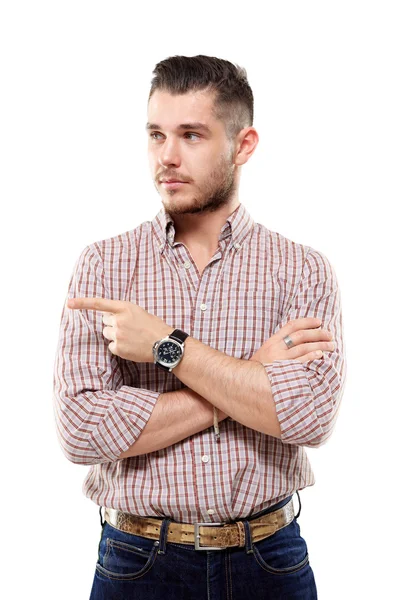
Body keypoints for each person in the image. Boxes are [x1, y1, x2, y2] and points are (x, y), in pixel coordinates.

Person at [53, 54, 346, 599]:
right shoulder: (105, 265)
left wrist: (168, 348)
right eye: (156, 134)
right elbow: (80, 429)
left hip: (269, 560)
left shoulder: (303, 270)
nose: (167, 156)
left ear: (244, 144)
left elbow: (308, 418)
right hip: (138, 563)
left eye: (191, 135)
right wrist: (251, 379)